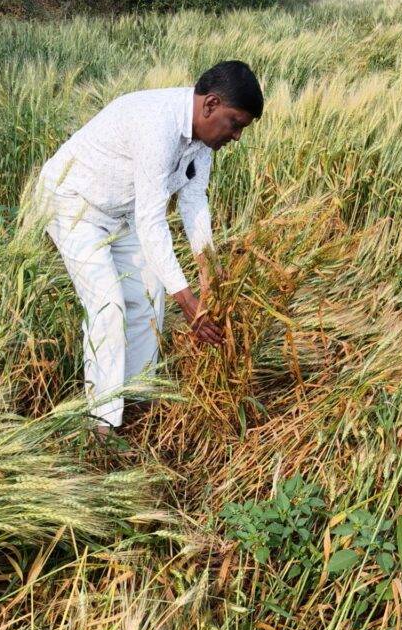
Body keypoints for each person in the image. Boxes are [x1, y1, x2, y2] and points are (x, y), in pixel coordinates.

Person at [37, 60, 264, 435]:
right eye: (235, 124)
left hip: (119, 210)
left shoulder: (202, 141)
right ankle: (101, 422)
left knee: (148, 293)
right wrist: (189, 302)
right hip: (71, 202)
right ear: (210, 105)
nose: (237, 136)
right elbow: (152, 221)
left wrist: (209, 274)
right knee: (107, 305)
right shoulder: (155, 123)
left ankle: (137, 396)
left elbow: (194, 200)